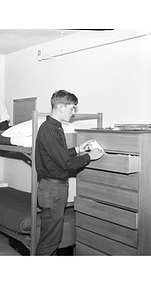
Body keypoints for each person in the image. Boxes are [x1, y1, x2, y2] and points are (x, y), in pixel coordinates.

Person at [35, 90, 104, 256]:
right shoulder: (49, 130)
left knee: (53, 236)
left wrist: (79, 149)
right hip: (52, 189)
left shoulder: (55, 127)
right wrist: (89, 156)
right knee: (49, 240)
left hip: (54, 187)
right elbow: (66, 163)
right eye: (71, 109)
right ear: (60, 108)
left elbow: (59, 155)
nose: (73, 113)